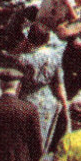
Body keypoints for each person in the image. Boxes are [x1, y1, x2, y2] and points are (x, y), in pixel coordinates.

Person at [17, 25, 66, 153]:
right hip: (47, 100)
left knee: (23, 140)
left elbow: (17, 83)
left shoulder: (24, 59)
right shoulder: (54, 57)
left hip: (26, 99)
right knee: (41, 139)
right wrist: (64, 104)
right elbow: (59, 83)